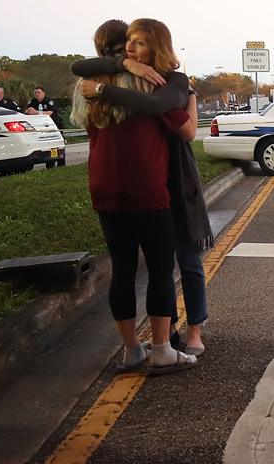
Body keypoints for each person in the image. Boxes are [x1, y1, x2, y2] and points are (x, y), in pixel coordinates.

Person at [72, 23, 211, 358]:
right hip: (149, 187)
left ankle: (134, 349)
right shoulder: (153, 82)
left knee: (125, 268)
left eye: (140, 43)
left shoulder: (89, 85)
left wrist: (109, 84)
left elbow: (78, 67)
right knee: (163, 268)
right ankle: (164, 345)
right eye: (129, 43)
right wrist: (130, 68)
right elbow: (185, 129)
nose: (132, 49)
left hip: (106, 187)